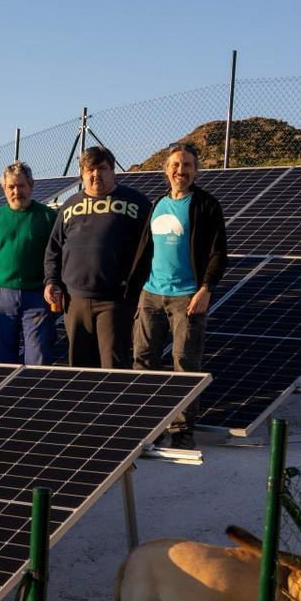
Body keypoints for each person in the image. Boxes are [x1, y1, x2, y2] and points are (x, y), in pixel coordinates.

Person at [129, 143, 227, 449]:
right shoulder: (158, 203)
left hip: (187, 296)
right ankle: (147, 426)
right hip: (151, 294)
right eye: (175, 165)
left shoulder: (206, 205)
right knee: (143, 361)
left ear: (196, 171)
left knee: (184, 365)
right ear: (166, 169)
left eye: (186, 165)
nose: (180, 171)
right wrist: (137, 287)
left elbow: (218, 253)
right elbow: (146, 249)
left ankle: (182, 431)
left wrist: (206, 288)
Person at [43, 146, 151, 368]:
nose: (96, 174)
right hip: (75, 302)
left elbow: (151, 248)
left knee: (113, 366)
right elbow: (54, 249)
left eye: (102, 168)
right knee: (79, 367)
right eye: (89, 169)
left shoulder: (137, 203)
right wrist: (51, 281)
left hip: (115, 302)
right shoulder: (70, 204)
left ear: (113, 171)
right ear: (82, 174)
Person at [0, 161, 57, 364]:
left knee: (38, 356)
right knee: (3, 356)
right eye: (11, 187)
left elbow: (57, 255)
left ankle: (37, 394)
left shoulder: (47, 217)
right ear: (4, 189)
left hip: (37, 296)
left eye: (21, 186)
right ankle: (6, 396)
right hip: (1, 296)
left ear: (31, 185)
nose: (16, 191)